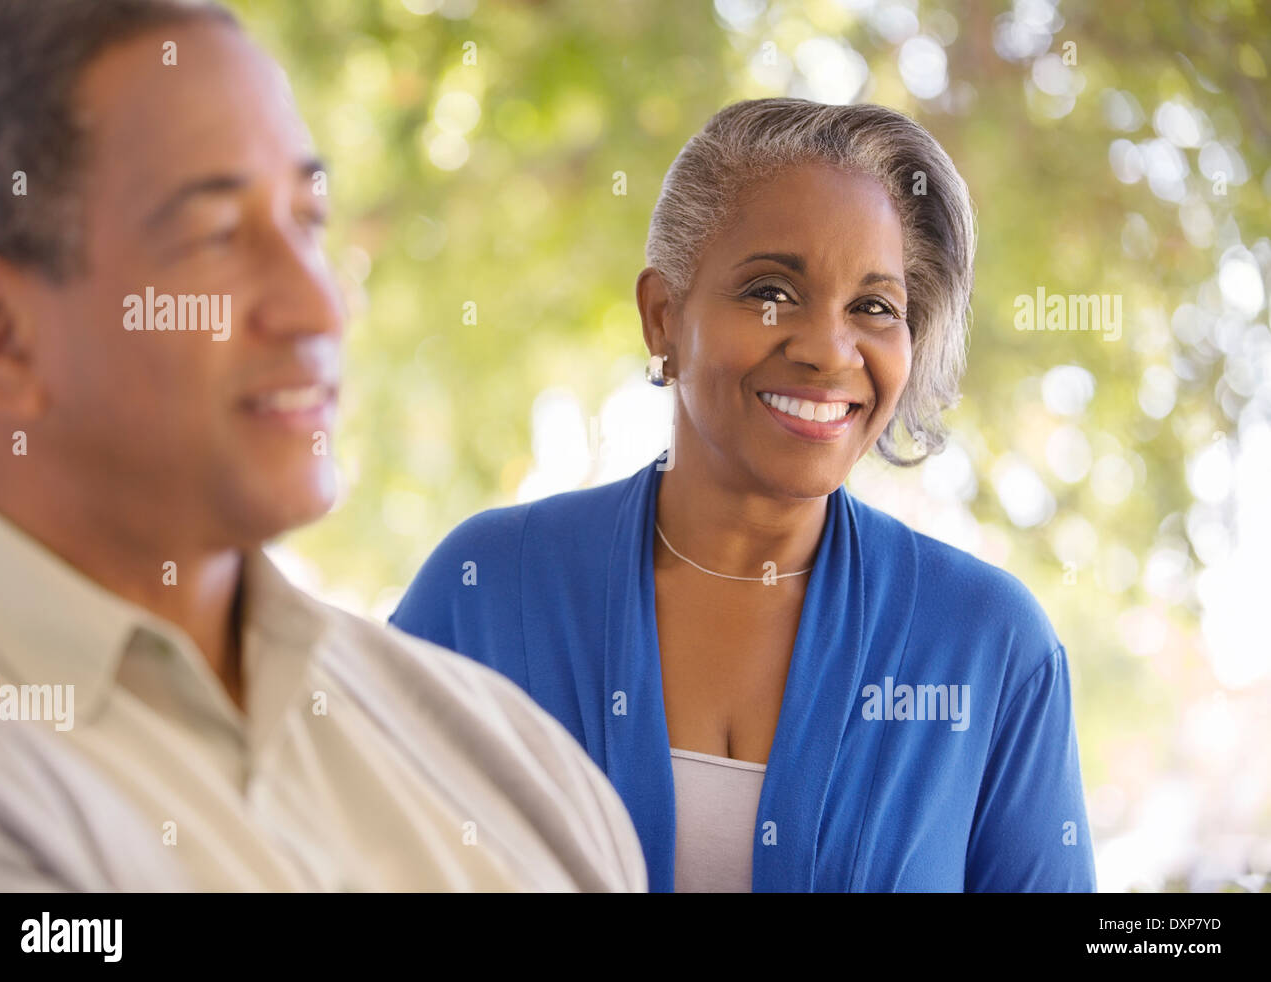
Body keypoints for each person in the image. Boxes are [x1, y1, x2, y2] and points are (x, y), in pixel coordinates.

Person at [0, 0, 646, 893]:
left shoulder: (514, 765)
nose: (320, 307)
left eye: (308, 220)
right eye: (216, 237)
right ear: (0, 337)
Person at [392, 97, 1098, 893]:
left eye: (874, 306)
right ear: (664, 317)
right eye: (772, 290)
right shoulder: (488, 589)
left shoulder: (989, 647)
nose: (829, 350)